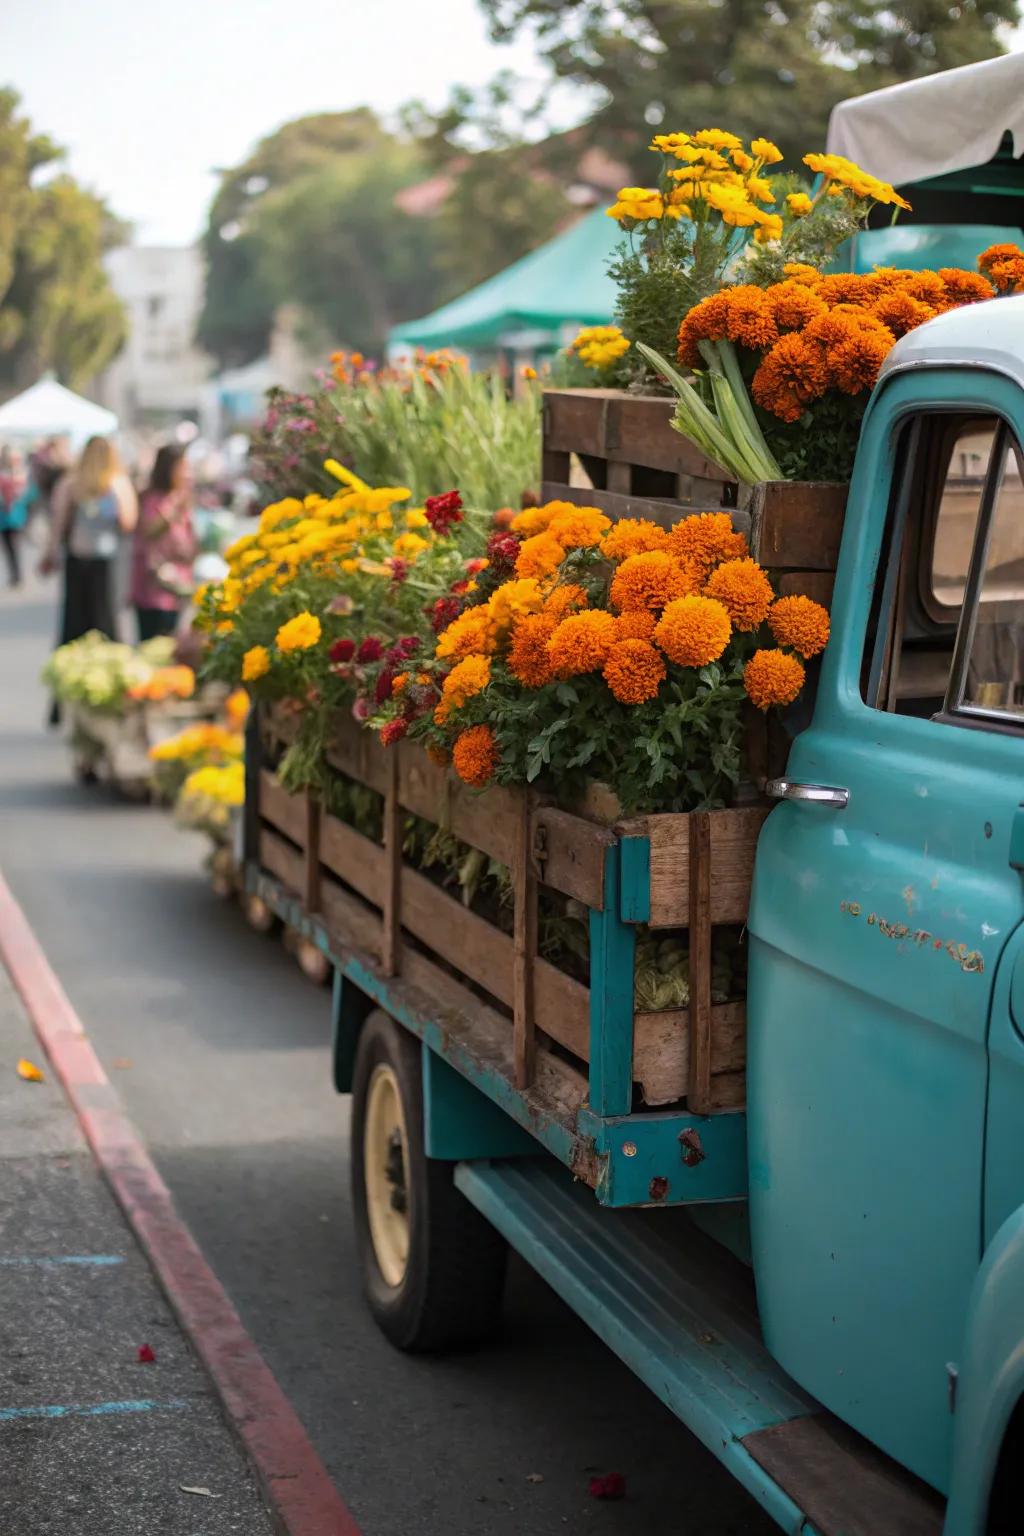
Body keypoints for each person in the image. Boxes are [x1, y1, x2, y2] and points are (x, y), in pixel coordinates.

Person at [41, 436, 137, 642]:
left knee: (76, 619)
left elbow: (58, 523)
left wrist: (50, 553)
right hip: (107, 558)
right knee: (106, 618)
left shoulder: (71, 482)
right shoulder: (117, 482)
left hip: (78, 556)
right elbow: (129, 521)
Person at [130, 444, 198, 640]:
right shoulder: (151, 499)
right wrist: (172, 514)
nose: (187, 474)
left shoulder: (182, 497)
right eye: (183, 468)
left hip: (179, 581)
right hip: (154, 583)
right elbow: (148, 532)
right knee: (153, 638)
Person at [0, 446, 28, 587]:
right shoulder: (5, 474)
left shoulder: (19, 473)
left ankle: (17, 574)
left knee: (14, 545)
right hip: (4, 516)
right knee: (8, 546)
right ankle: (14, 574)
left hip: (15, 515)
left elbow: (24, 493)